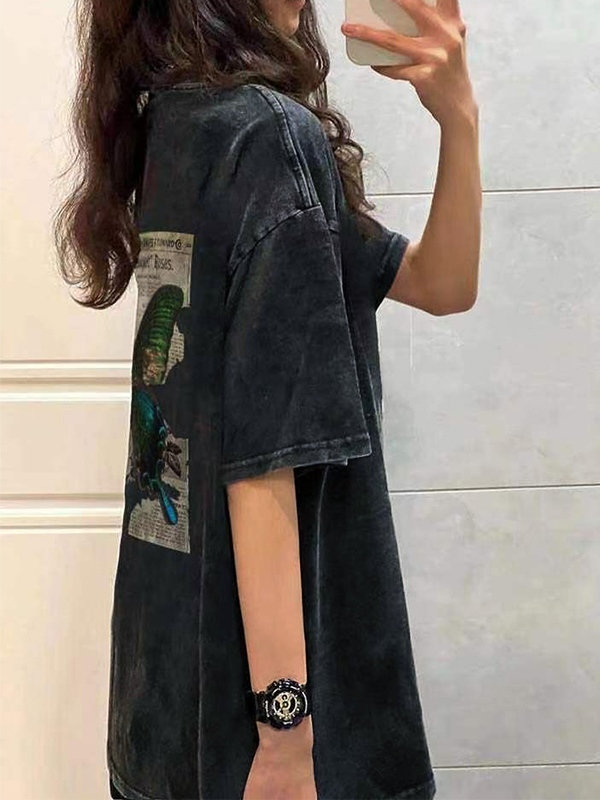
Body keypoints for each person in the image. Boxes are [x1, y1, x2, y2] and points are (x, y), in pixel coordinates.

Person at [53, 1, 480, 798]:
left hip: (163, 694)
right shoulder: (265, 137)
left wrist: (458, 118)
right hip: (263, 728)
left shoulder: (179, 119)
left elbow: (442, 282)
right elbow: (263, 460)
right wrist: (287, 735)